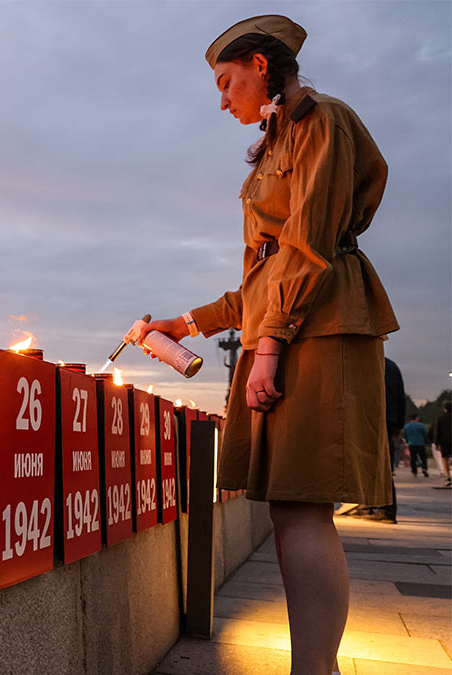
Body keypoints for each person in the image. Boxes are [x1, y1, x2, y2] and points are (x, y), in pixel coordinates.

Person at [139, 15, 398, 675]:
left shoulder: (322, 121)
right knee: (292, 510)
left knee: (304, 509)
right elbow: (262, 276)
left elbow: (309, 246)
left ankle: (314, 670)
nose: (223, 99)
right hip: (292, 325)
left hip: (319, 328)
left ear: (259, 66)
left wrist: (271, 351)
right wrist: (185, 322)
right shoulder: (279, 136)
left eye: (226, 83)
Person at [432, 401, 452, 488]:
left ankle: (447, 476)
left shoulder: (440, 418)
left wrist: (436, 443)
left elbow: (437, 431)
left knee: (444, 458)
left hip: (444, 441)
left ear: (445, 409)